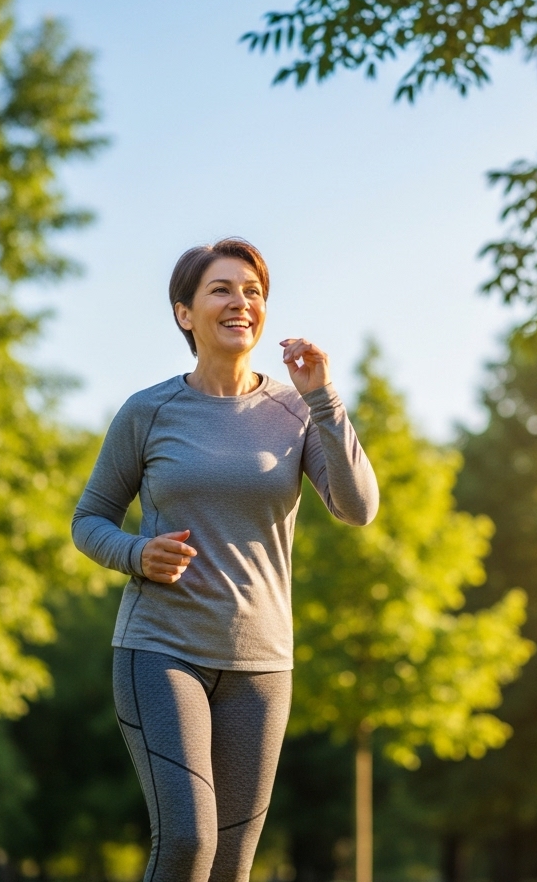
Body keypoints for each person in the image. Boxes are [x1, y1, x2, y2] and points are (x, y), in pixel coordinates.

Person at [72, 237, 379, 882]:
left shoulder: (295, 411)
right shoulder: (148, 411)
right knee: (188, 843)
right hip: (161, 649)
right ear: (185, 313)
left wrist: (324, 397)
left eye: (253, 291)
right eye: (221, 289)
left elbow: (358, 508)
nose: (241, 301)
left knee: (233, 865)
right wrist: (135, 553)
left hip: (262, 665)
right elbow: (88, 519)